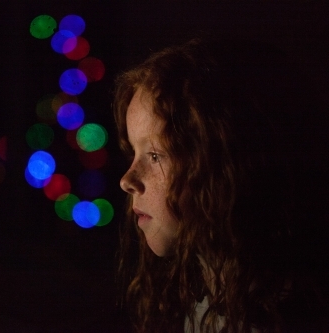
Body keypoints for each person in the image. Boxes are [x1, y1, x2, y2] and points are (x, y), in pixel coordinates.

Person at [113, 37, 328, 333]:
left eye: (155, 155)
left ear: (229, 165)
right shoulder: (208, 299)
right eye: (134, 153)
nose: (127, 180)